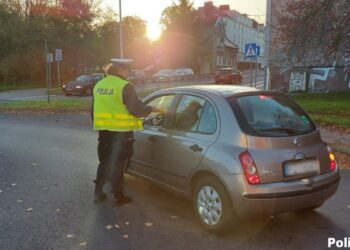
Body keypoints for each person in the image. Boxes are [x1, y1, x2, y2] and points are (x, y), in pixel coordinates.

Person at [92, 58, 157, 205]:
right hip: (121, 133)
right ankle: (118, 196)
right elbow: (135, 109)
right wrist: (150, 109)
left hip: (104, 132)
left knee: (104, 162)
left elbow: (93, 110)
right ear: (120, 69)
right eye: (128, 70)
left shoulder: (99, 85)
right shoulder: (125, 86)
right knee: (119, 164)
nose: (129, 73)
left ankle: (98, 193)